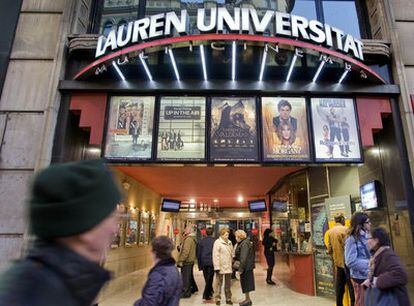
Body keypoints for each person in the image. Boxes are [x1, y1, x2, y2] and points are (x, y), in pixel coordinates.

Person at [0, 159, 121, 306]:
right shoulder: (33, 294)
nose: (116, 230)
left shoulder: (61, 285)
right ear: (87, 226)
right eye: (111, 217)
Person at [362, 227, 411, 306]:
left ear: (376, 240)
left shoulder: (388, 255)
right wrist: (370, 281)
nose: (367, 242)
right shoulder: (378, 255)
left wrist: (376, 281)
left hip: (394, 300)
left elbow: (400, 275)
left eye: (368, 238)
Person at [134, 236, 182, 306]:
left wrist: (137, 304)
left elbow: (150, 302)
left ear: (155, 252)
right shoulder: (174, 270)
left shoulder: (159, 275)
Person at [326, 214, 355, 306]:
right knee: (351, 287)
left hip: (338, 264)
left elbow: (329, 249)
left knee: (340, 288)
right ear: (342, 219)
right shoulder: (346, 230)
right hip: (348, 263)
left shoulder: (330, 232)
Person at [345, 212, 371, 306]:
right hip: (359, 277)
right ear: (360, 224)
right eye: (368, 222)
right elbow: (350, 261)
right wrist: (370, 264)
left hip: (368, 276)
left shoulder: (367, 236)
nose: (370, 224)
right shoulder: (352, 239)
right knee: (361, 302)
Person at [213, 228, 233, 305]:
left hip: (228, 265)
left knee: (228, 284)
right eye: (226, 235)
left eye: (228, 234)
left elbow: (231, 253)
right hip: (220, 266)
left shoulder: (230, 242)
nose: (227, 236)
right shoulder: (217, 243)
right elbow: (215, 255)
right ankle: (217, 299)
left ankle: (228, 298)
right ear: (221, 235)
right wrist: (217, 267)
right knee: (218, 284)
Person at [235, 230, 255, 306]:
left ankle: (248, 300)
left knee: (246, 284)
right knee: (245, 284)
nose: (235, 238)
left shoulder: (244, 244)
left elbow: (243, 257)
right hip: (246, 267)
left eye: (236, 236)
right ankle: (247, 299)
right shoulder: (244, 242)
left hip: (246, 267)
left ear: (239, 236)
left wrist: (240, 269)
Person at [177, 225, 198, 298]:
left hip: (187, 261)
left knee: (185, 277)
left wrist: (180, 260)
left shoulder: (188, 239)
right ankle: (192, 289)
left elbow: (186, 251)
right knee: (188, 276)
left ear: (190, 231)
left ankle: (186, 292)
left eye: (186, 229)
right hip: (190, 260)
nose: (185, 229)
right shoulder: (190, 238)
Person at [197, 227, 215, 301]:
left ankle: (210, 291)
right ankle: (206, 295)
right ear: (213, 233)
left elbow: (198, 254)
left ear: (206, 233)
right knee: (210, 278)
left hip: (204, 262)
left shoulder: (201, 242)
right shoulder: (215, 241)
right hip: (212, 262)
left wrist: (199, 265)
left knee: (206, 278)